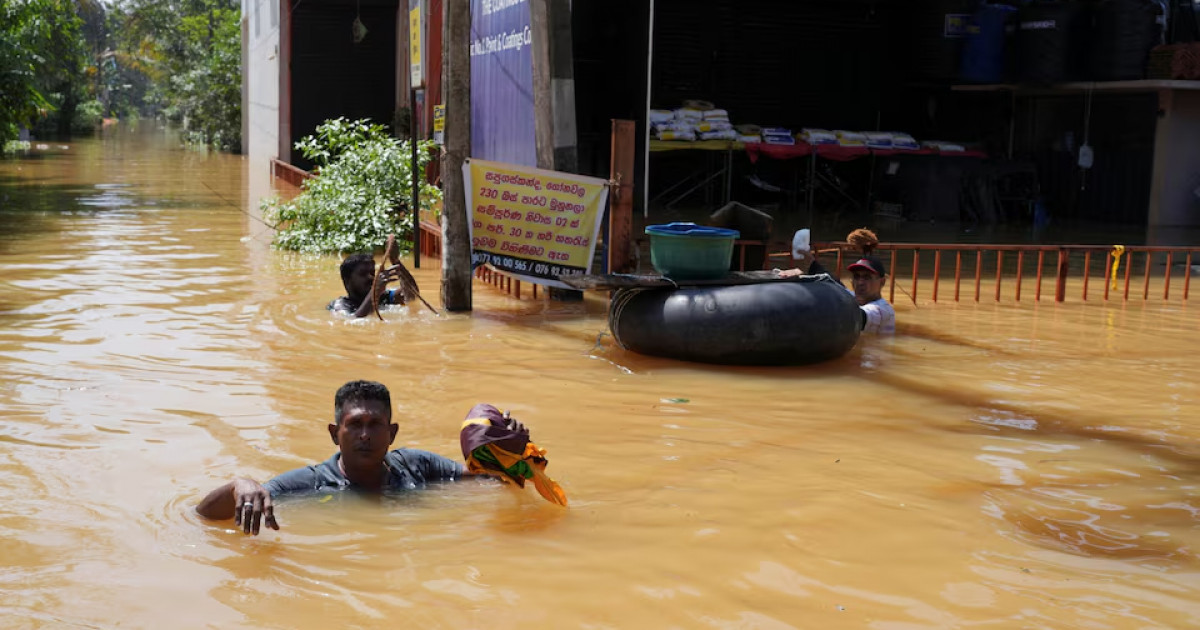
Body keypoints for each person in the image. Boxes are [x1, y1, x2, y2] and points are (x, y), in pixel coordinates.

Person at [196, 380, 490, 535]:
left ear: (392, 433)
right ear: (335, 433)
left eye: (375, 425)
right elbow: (202, 515)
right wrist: (240, 485)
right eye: (355, 425)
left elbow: (486, 479)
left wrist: (512, 452)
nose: (365, 435)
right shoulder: (309, 484)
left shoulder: (416, 465)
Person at [779, 242, 896, 335]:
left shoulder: (883, 311)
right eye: (857, 276)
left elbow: (854, 316)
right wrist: (805, 270)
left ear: (882, 282)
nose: (860, 282)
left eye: (867, 277)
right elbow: (836, 284)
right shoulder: (854, 298)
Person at [328, 254, 407, 318]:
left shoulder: (382, 297)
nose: (371, 277)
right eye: (363, 274)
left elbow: (411, 295)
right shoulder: (340, 305)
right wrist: (375, 290)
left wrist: (396, 261)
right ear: (347, 280)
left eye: (372, 273)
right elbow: (354, 321)